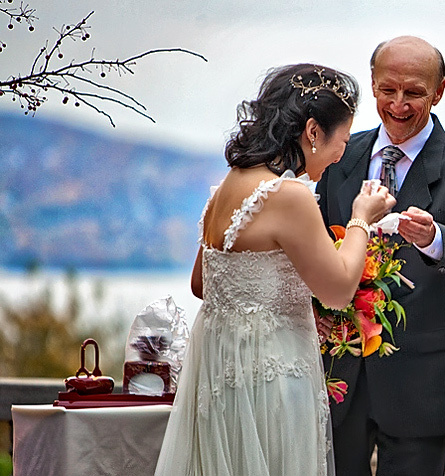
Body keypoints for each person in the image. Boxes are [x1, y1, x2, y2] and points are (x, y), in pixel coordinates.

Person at [154, 63, 396, 476]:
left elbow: (201, 284)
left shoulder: (228, 186)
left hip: (220, 378)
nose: (343, 152)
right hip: (271, 383)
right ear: (314, 132)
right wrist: (361, 218)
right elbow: (337, 290)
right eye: (343, 138)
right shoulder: (290, 196)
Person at [316, 36, 445, 476]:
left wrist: (435, 237)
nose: (398, 105)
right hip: (337, 370)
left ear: (439, 92)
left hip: (421, 377)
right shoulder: (337, 155)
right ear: (373, 85)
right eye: (387, 90)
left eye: (414, 92)